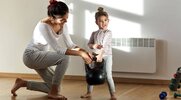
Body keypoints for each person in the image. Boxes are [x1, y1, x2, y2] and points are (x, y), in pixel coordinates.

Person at [11, 0, 92, 100]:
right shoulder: (43, 26)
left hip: (41, 56)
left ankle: (22, 83)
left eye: (66, 18)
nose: (65, 22)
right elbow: (58, 49)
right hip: (31, 56)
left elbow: (70, 45)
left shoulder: (63, 24)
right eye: (62, 19)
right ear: (51, 18)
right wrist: (80, 54)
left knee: (56, 86)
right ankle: (53, 93)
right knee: (64, 58)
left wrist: (84, 52)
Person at [80, 7, 117, 100]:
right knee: (90, 73)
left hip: (106, 56)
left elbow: (104, 45)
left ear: (108, 21)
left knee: (108, 75)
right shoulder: (94, 33)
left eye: (105, 20)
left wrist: (100, 55)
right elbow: (89, 44)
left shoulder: (108, 32)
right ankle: (88, 92)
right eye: (100, 21)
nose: (103, 23)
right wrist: (94, 46)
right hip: (95, 56)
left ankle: (113, 94)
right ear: (96, 22)